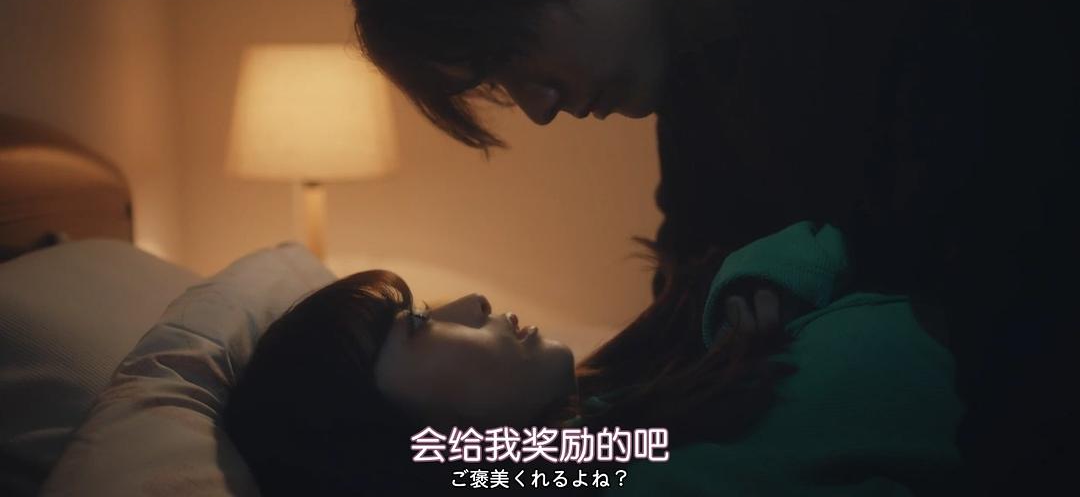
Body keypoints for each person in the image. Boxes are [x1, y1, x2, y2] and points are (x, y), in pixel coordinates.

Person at [335, 0, 1078, 492]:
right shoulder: (699, 78)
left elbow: (1015, 274)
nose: (537, 108)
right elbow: (680, 322)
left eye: (509, 54)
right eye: (500, 85)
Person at [223, 222, 963, 496]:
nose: (473, 302)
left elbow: (843, 234)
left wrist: (755, 283)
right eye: (417, 324)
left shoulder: (595, 432)